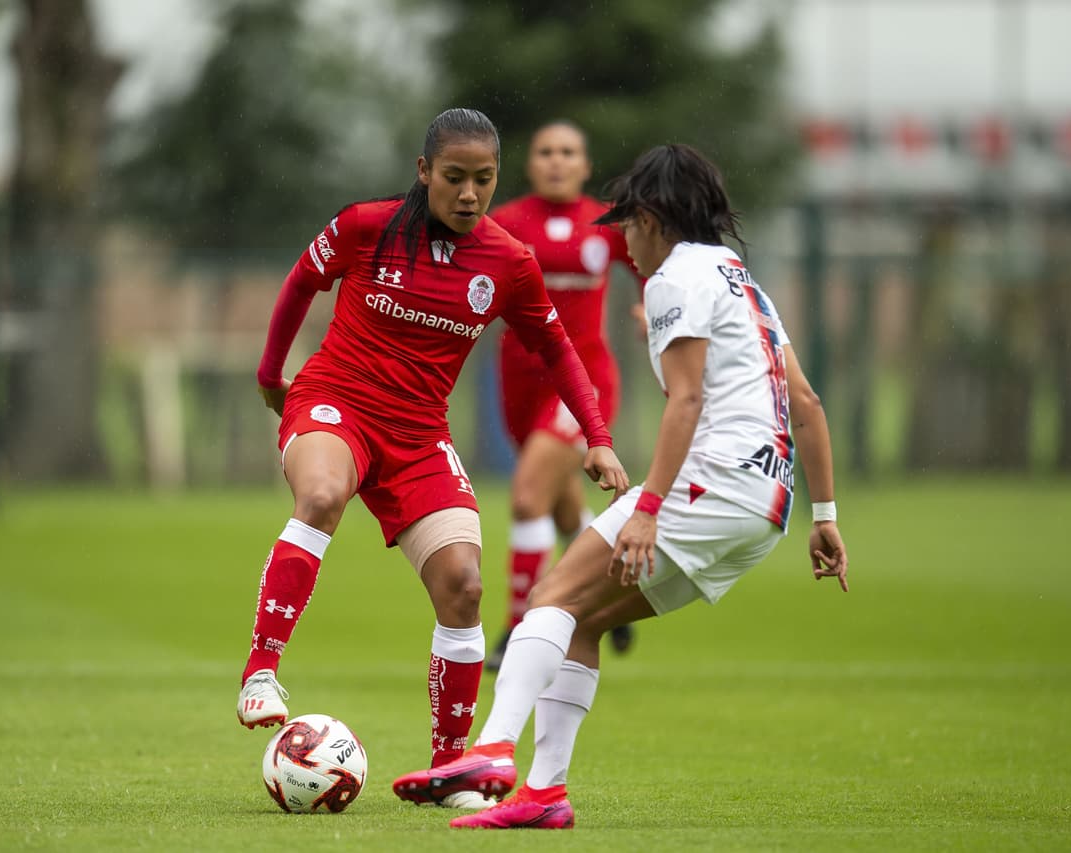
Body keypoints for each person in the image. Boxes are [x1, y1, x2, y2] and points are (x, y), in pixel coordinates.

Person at [391, 143, 850, 828]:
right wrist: (826, 514)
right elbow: (806, 401)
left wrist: (649, 510)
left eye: (628, 223)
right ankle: (544, 794)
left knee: (549, 595)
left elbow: (687, 402)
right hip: (767, 507)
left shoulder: (673, 279)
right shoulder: (739, 278)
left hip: (709, 486)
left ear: (654, 219)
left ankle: (489, 749)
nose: (624, 240)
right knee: (583, 618)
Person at [235, 107, 630, 811]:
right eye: (455, 178)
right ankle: (261, 672)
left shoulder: (507, 261)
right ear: (424, 173)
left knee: (463, 585)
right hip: (336, 400)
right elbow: (301, 282)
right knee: (321, 495)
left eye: (484, 179)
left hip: (419, 433)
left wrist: (597, 434)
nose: (470, 194)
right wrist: (273, 376)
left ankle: (450, 765)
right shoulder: (368, 225)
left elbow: (557, 349)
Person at [486, 120, 641, 668]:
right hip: (519, 383)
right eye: (546, 151)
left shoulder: (606, 225)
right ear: (531, 163)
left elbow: (652, 264)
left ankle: (517, 626)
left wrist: (653, 304)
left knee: (528, 495)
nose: (557, 160)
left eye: (568, 152)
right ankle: (614, 599)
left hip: (584, 382)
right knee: (562, 506)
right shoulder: (504, 223)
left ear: (585, 165)